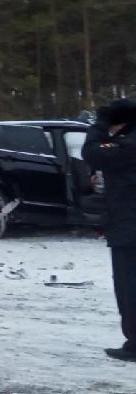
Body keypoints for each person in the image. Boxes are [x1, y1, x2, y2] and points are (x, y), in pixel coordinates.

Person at [84, 98, 136, 362]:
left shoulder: (128, 144)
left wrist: (99, 125)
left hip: (130, 229)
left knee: (129, 288)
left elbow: (92, 152)